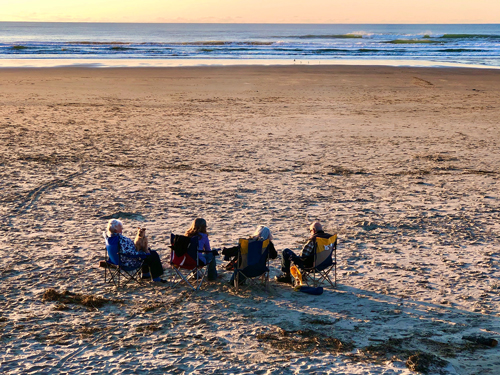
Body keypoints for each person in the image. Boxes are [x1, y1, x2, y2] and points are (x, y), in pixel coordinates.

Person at [104, 219, 165, 283]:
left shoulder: (109, 239)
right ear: (116, 230)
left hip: (117, 261)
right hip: (128, 262)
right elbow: (131, 253)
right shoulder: (121, 240)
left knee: (148, 252)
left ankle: (145, 274)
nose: (122, 229)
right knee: (152, 254)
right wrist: (142, 253)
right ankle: (156, 278)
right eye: (121, 228)